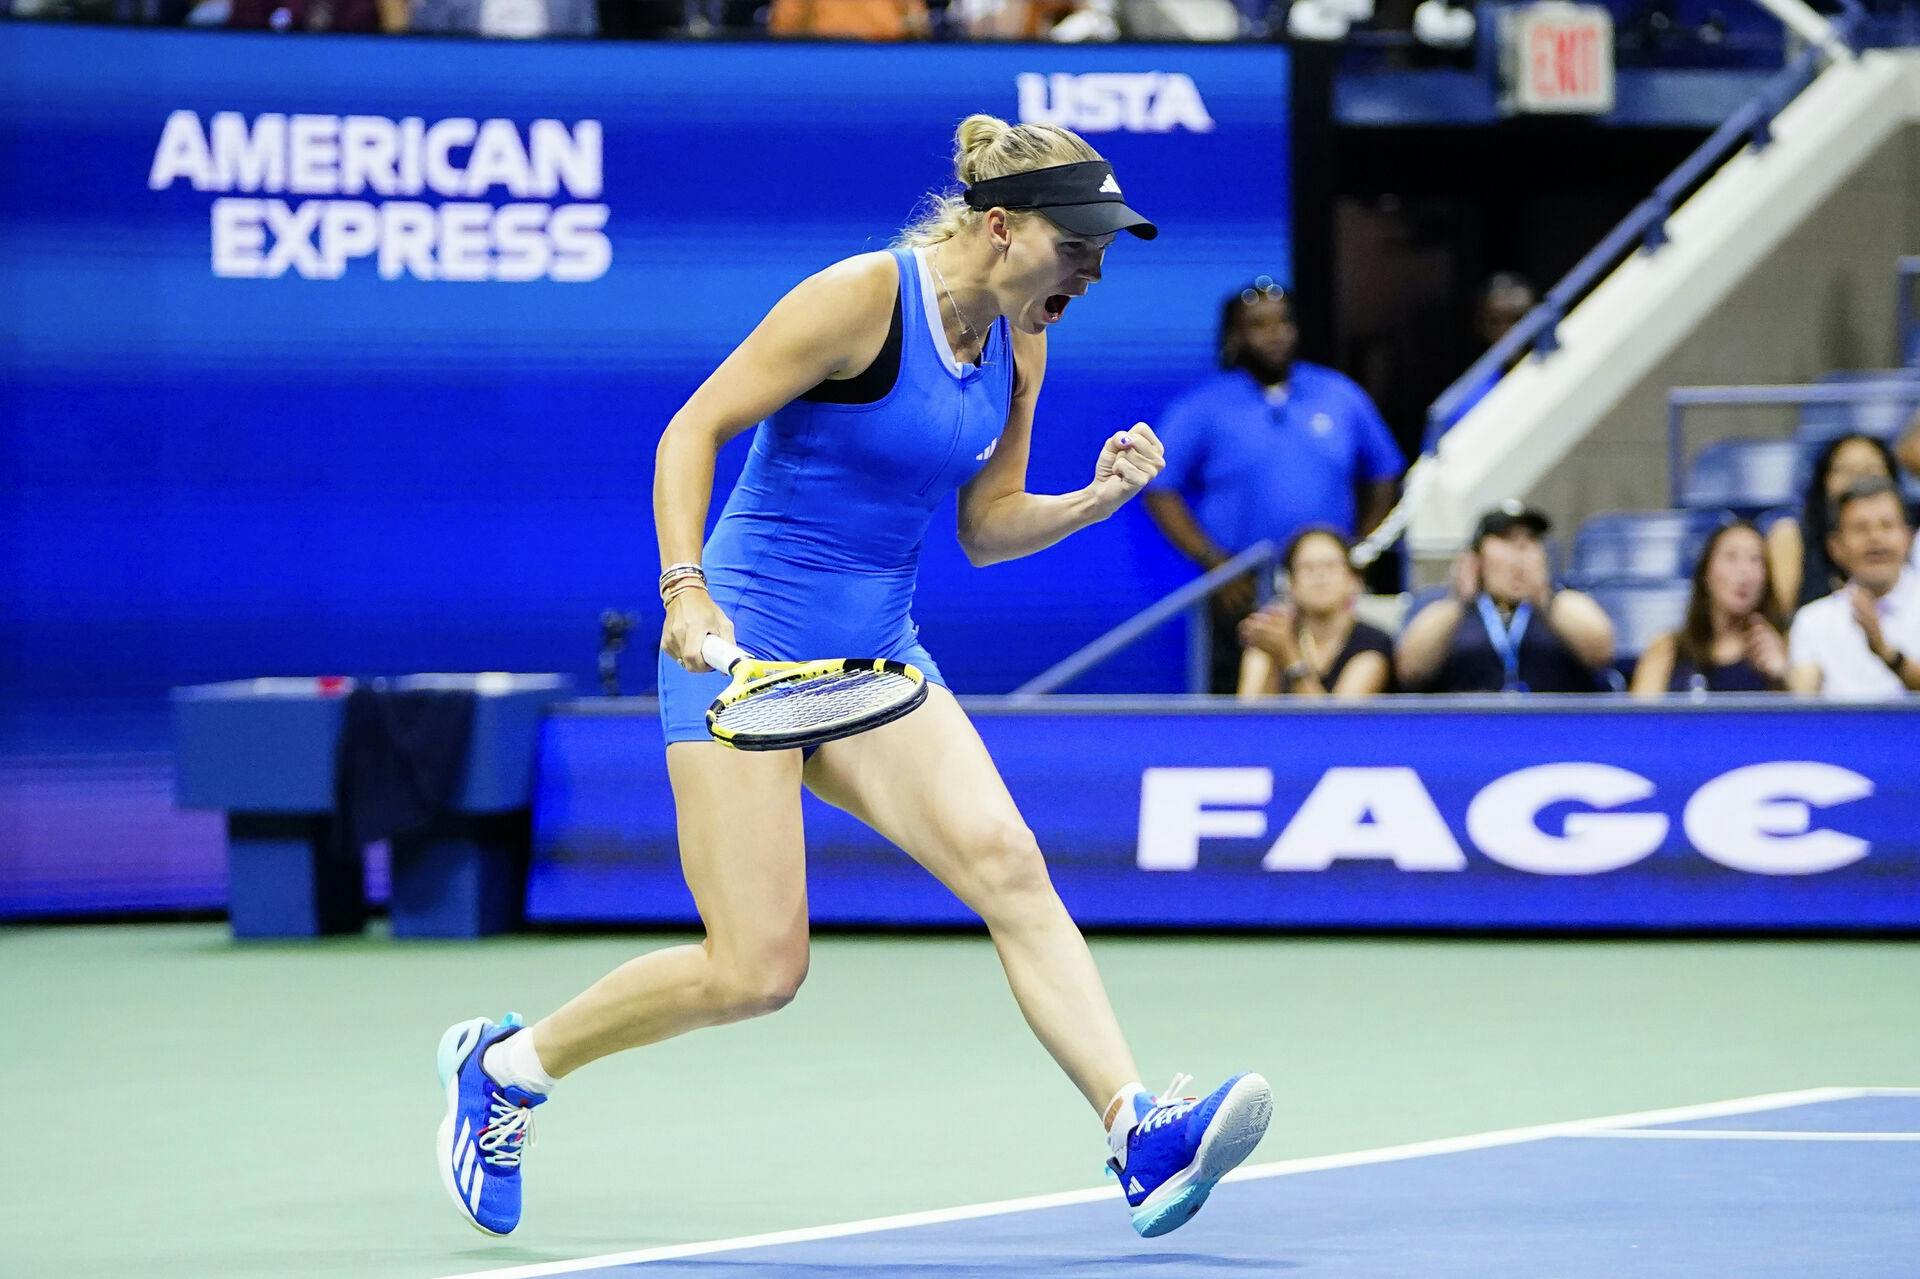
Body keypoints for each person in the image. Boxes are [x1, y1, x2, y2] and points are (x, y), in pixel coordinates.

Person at [432, 115, 1271, 1242]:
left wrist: (1092, 500)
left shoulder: (1023, 339)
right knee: (757, 969)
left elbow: (983, 526)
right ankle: (508, 1066)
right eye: (1080, 244)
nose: (1094, 267)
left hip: (878, 661)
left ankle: (1137, 1131)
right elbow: (692, 430)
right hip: (742, 659)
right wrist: (686, 590)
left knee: (1010, 864)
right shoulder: (859, 300)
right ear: (1003, 225)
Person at [1144, 277, 1404, 692]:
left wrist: (1361, 548)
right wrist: (1215, 563)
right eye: (1259, 325)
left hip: (1326, 590)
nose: (1275, 334)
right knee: (1238, 713)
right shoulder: (1203, 406)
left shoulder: (1338, 394)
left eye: (1283, 323)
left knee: (1334, 707)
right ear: (1234, 334)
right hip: (1242, 590)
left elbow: (1385, 474)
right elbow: (1160, 488)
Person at [1396, 500, 1615, 693]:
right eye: (1506, 539)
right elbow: (1411, 669)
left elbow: (1600, 655)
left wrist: (1543, 597)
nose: (1521, 549)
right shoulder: (1444, 607)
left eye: (1531, 540)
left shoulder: (1565, 602)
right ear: (1477, 557)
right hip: (1469, 727)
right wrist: (1459, 600)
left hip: (1551, 727)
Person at [1629, 519, 1811, 697]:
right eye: (1731, 557)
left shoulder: (1785, 646)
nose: (1744, 571)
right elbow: (1638, 722)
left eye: (1755, 560)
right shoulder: (1670, 649)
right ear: (1706, 573)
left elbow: (1803, 721)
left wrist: (1781, 677)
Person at [1787, 477, 1920, 698]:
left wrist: (1888, 655)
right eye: (1860, 528)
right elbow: (1803, 706)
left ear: (1907, 538)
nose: (1875, 538)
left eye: (1886, 525)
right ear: (1836, 547)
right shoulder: (1812, 621)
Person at [1236, 527, 1394, 698]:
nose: (1319, 576)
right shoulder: (1271, 636)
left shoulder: (1372, 644)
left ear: (1354, 581)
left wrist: (1290, 658)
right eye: (1307, 567)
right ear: (1290, 584)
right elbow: (1248, 717)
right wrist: (1272, 658)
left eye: (1330, 566)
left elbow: (1337, 723)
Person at [1766, 433, 1904, 615]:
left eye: (1870, 469)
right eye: (1846, 470)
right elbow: (1778, 621)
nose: (1857, 479)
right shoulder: (1792, 537)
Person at [1422, 272, 1538, 451]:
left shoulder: (1559, 378)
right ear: (1481, 325)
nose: (1509, 330)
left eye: (1518, 318)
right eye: (1496, 321)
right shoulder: (1458, 402)